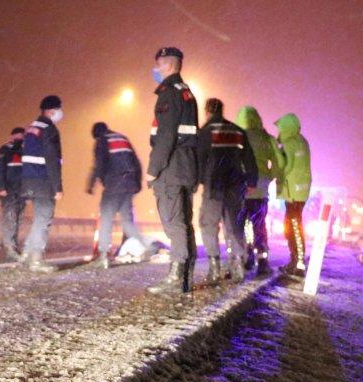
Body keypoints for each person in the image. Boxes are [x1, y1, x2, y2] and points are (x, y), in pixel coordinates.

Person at [145, 46, 199, 294]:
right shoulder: (187, 93)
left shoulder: (168, 94)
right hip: (186, 166)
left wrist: (153, 169)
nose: (155, 70)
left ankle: (176, 278)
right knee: (184, 222)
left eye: (157, 65)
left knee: (173, 222)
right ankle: (185, 276)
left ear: (167, 65)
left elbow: (165, 135)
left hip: (171, 167)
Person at [196, 97, 257, 284]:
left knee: (208, 224)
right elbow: (249, 158)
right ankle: (238, 264)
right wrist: (251, 180)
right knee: (234, 225)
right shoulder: (238, 131)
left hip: (214, 185)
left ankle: (214, 268)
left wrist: (198, 180)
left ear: (207, 111)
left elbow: (199, 159)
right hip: (235, 185)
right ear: (222, 111)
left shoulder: (206, 131)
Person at [85, 122, 156, 268]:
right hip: (129, 184)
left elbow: (99, 165)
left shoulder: (102, 140)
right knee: (127, 221)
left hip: (114, 184)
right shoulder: (122, 138)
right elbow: (136, 162)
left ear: (97, 134)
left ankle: (103, 256)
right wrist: (137, 183)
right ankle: (146, 246)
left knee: (106, 219)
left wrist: (91, 184)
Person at [234, 106, 283, 271]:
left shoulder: (237, 137)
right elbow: (280, 162)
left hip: (242, 187)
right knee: (259, 225)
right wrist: (270, 176)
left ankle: (247, 258)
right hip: (261, 188)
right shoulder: (267, 138)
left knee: (244, 224)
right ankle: (263, 262)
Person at [20, 95, 64, 272]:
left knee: (39, 220)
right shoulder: (49, 129)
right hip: (43, 180)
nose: (61, 113)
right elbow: (52, 160)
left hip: (28, 179)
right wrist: (57, 187)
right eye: (59, 109)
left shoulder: (32, 127)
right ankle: (36, 260)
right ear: (52, 110)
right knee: (44, 220)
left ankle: (26, 255)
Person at [274, 112, 312, 273]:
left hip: (291, 190)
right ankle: (297, 259)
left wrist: (276, 175)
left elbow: (286, 166)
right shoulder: (303, 142)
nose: (279, 131)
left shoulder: (288, 144)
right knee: (295, 224)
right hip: (302, 190)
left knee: (292, 226)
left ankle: (298, 261)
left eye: (281, 128)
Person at [0, 127, 25, 261]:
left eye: (22, 136)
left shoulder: (24, 151)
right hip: (8, 191)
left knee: (17, 220)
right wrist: (1, 188)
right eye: (17, 136)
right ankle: (9, 247)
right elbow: (0, 170)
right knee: (10, 219)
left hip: (21, 192)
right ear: (12, 136)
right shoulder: (4, 150)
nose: (20, 138)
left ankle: (14, 246)